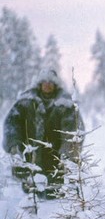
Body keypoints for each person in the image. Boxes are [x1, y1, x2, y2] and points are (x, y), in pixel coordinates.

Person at [3, 68, 85, 197]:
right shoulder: (25, 102)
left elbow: (74, 130)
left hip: (56, 158)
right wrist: (15, 147)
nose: (47, 84)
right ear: (39, 84)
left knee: (55, 196)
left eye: (51, 82)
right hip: (31, 157)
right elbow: (12, 124)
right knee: (31, 196)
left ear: (55, 85)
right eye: (44, 81)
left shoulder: (66, 105)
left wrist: (68, 155)